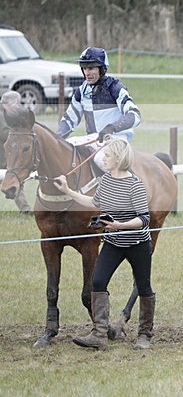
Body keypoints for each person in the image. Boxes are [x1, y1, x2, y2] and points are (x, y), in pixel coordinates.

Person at [53, 138, 156, 350]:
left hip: (137, 244)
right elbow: (94, 202)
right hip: (113, 243)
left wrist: (119, 225)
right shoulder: (106, 181)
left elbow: (144, 219)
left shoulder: (135, 185)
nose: (104, 159)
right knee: (98, 282)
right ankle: (99, 334)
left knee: (144, 287)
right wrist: (68, 192)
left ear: (118, 159)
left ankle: (145, 335)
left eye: (107, 156)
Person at [56, 47, 141, 170]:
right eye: (84, 68)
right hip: (94, 141)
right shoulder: (82, 90)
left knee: (101, 159)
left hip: (116, 140)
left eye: (91, 68)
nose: (87, 73)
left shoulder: (115, 87)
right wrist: (57, 137)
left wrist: (111, 127)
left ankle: (127, 183)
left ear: (102, 69)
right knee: (66, 148)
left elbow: (135, 115)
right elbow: (69, 119)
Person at [0, 91, 34, 215]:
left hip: (9, 157)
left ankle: (25, 209)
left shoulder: (10, 116)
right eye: (17, 103)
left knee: (16, 181)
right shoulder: (2, 117)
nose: (19, 106)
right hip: (4, 158)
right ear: (9, 104)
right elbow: (5, 135)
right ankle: (25, 209)